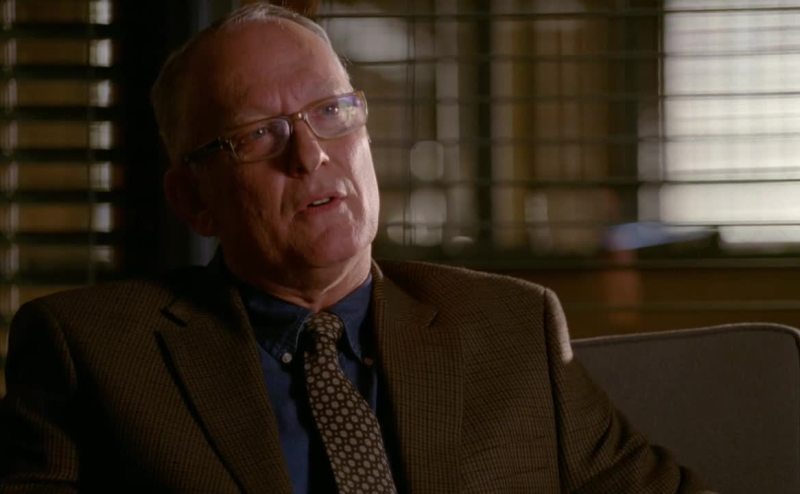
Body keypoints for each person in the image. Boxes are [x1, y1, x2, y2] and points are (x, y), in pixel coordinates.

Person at [0, 3, 712, 493]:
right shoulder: (91, 354)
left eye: (332, 111)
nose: (310, 155)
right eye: (259, 133)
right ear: (192, 200)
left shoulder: (512, 327)